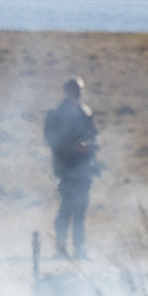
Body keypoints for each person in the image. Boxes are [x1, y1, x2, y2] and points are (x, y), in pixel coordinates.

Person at [43, 76, 99, 260]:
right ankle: (60, 250)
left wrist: (88, 146)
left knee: (80, 211)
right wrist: (72, 146)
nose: (78, 94)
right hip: (65, 168)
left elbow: (93, 137)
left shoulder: (86, 113)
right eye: (75, 91)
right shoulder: (56, 115)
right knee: (66, 210)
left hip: (83, 169)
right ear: (66, 92)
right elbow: (51, 140)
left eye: (80, 91)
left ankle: (79, 250)